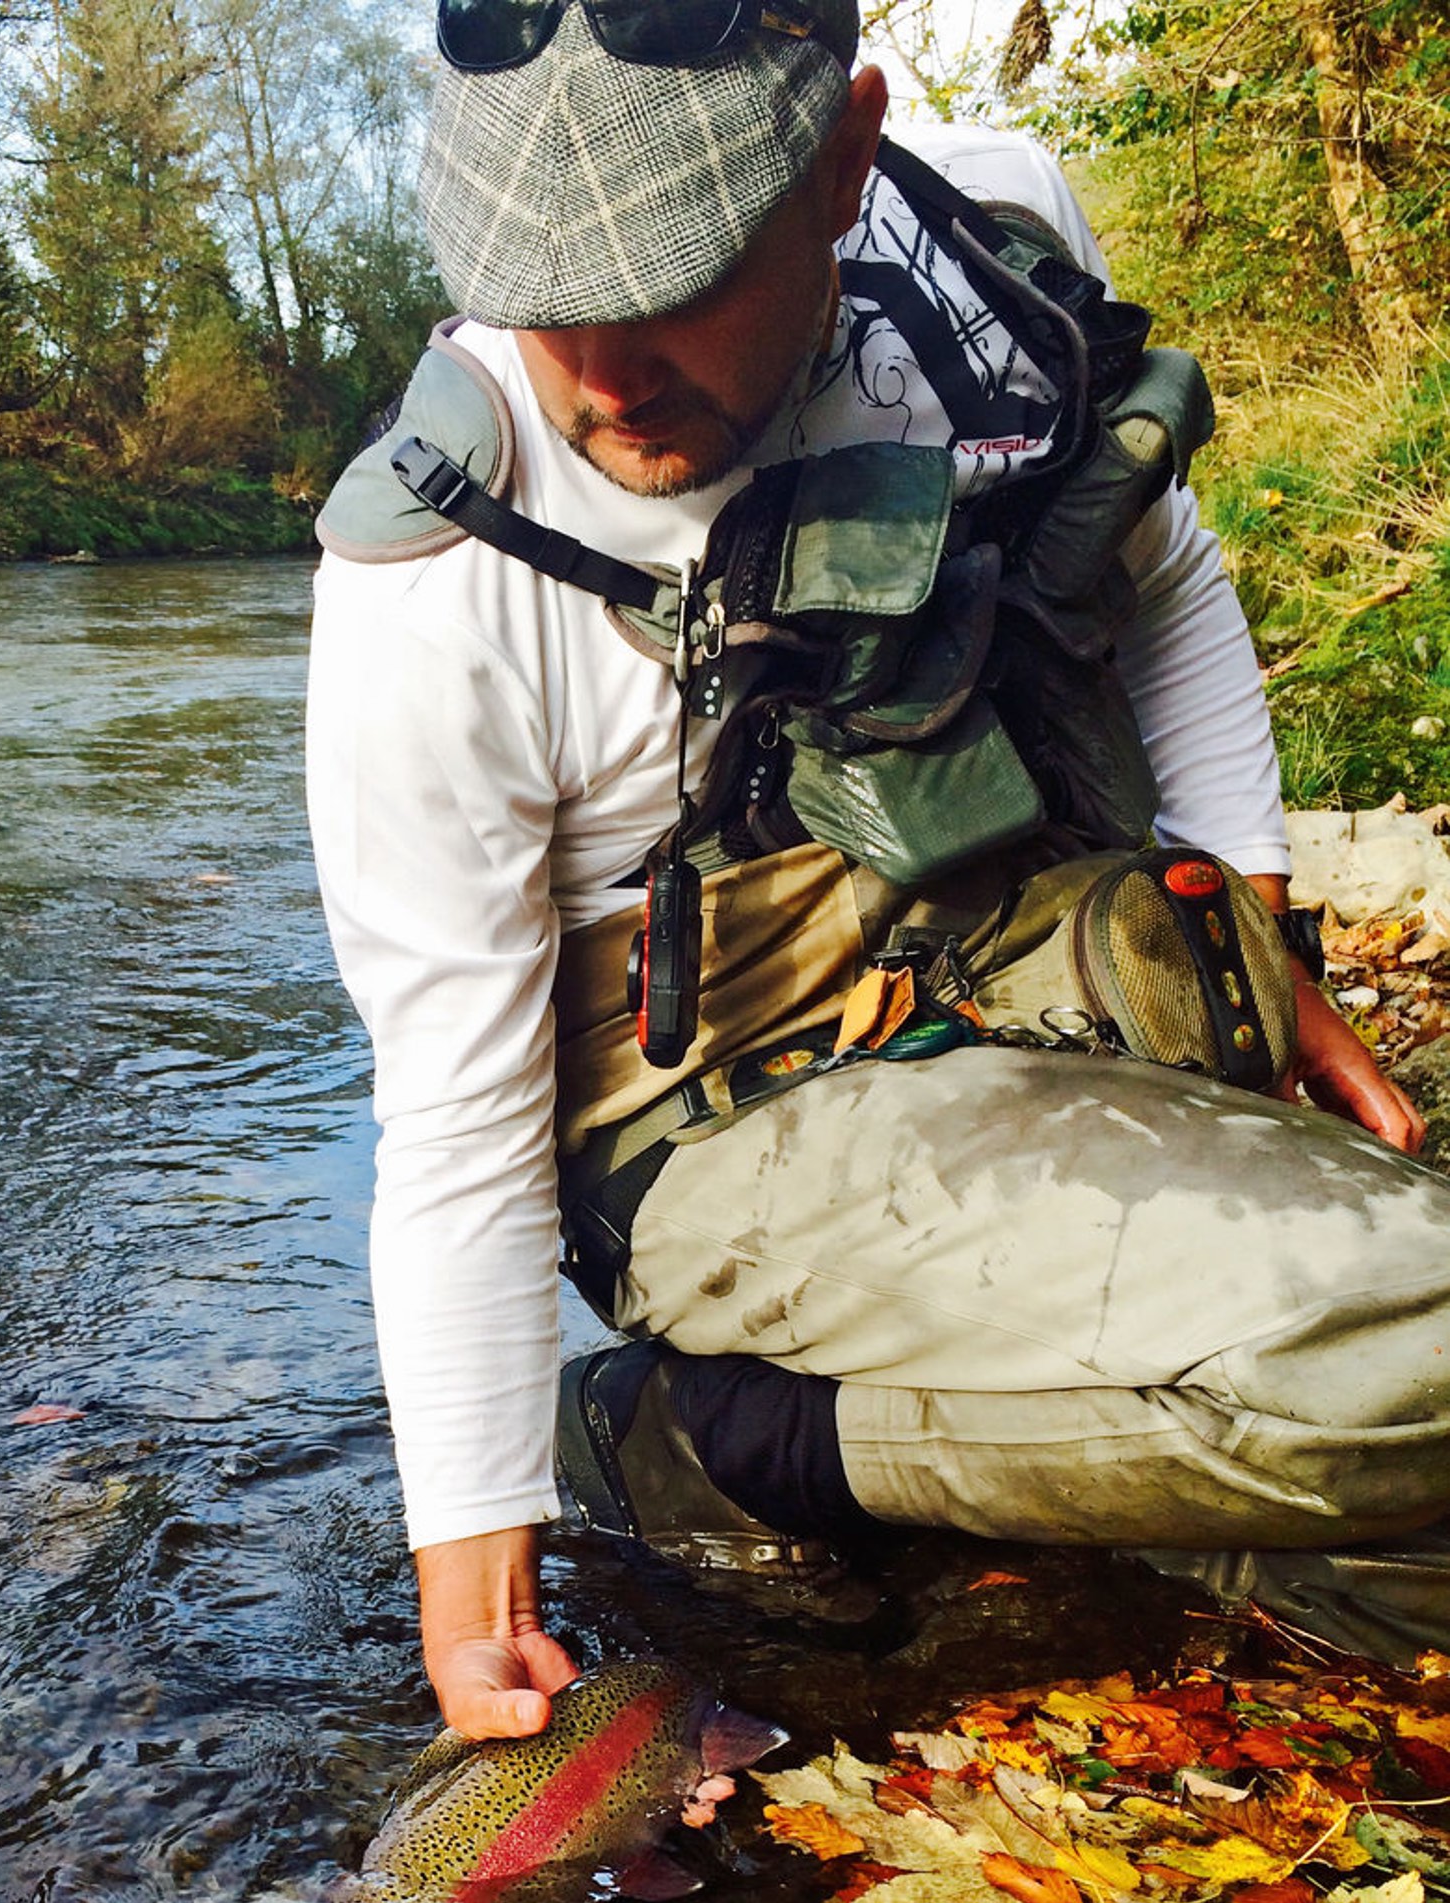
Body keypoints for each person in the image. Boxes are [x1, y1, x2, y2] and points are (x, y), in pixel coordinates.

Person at [303, 0, 1450, 1740]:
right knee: (1413, 1340)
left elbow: (1165, 562)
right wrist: (473, 1550)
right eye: (541, 292)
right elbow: (456, 1111)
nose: (599, 373)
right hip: (707, 1112)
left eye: (670, 273)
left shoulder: (991, 249)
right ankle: (701, 1443)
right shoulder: (428, 578)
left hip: (1013, 943)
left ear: (845, 155)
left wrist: (1251, 923)